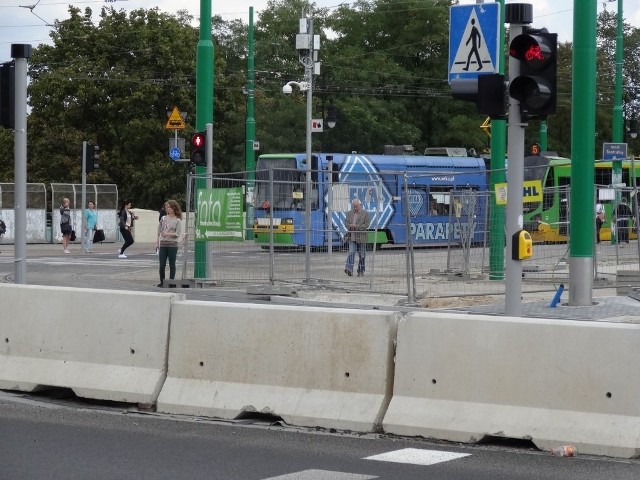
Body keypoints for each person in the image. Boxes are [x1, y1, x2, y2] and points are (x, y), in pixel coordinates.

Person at [157, 199, 183, 287]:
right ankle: (162, 282)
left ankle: (171, 282)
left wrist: (167, 234)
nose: (168, 209)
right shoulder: (163, 218)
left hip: (172, 244)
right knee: (162, 265)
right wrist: (157, 242)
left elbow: (177, 234)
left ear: (174, 208)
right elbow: (159, 230)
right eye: (167, 207)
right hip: (163, 244)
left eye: (170, 207)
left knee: (172, 264)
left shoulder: (177, 220)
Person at [344, 198, 371, 277]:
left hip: (361, 237)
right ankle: (349, 269)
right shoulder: (349, 213)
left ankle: (361, 270)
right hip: (352, 237)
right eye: (354, 207)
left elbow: (366, 225)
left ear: (360, 205)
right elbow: (346, 222)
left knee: (362, 255)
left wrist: (356, 226)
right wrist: (349, 226)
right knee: (351, 252)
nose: (355, 208)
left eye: (356, 206)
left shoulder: (365, 214)